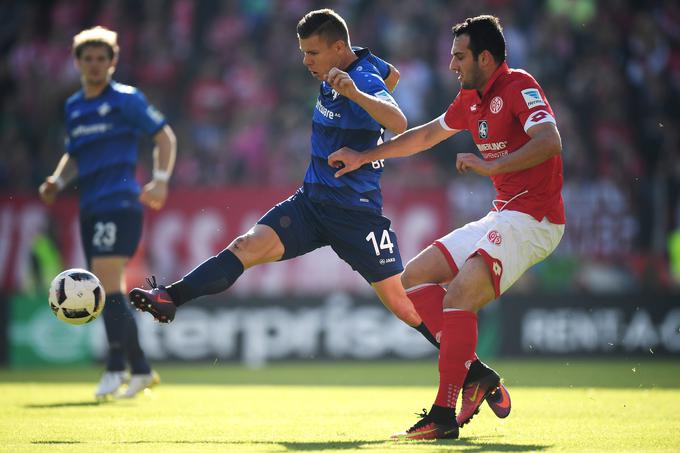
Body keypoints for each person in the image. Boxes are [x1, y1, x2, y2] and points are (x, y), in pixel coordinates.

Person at [329, 14, 565, 440]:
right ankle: (475, 373)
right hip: (504, 213)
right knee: (412, 278)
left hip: (536, 219)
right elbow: (422, 137)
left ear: (486, 57)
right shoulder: (469, 100)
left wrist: (488, 164)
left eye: (459, 56)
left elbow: (550, 141)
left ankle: (442, 414)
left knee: (459, 296)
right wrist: (366, 156)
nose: (452, 64)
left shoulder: (518, 86)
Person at [39, 26, 177, 399]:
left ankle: (117, 367)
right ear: (78, 62)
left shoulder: (127, 100)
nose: (96, 65)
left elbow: (164, 136)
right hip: (90, 207)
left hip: (120, 203)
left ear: (113, 62)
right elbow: (75, 154)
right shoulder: (74, 107)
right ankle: (139, 369)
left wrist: (161, 179)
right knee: (107, 287)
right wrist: (56, 179)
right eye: (89, 59)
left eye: (103, 58)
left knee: (103, 282)